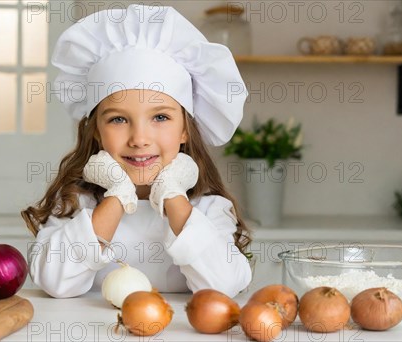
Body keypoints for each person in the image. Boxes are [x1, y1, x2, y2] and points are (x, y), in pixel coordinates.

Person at [22, 4, 251, 299]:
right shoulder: (75, 205)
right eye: (118, 119)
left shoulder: (208, 210)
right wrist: (118, 194)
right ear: (97, 131)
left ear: (185, 130)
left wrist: (173, 196)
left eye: (160, 117)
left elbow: (223, 286)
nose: (139, 139)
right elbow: (55, 281)